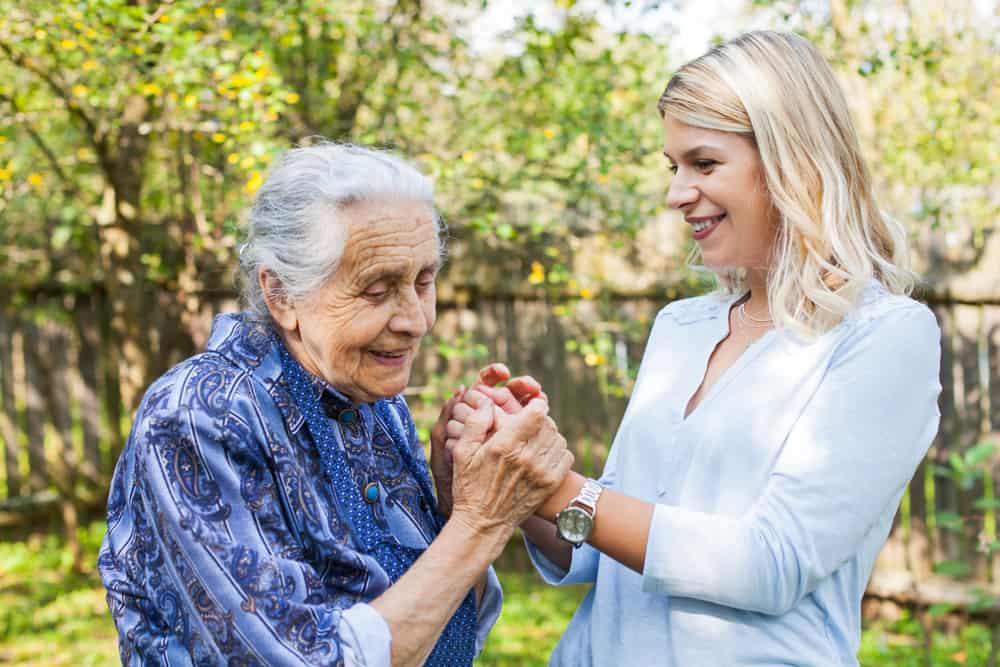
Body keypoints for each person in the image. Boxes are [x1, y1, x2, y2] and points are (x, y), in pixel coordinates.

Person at [446, 30, 942, 666]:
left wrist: (554, 485)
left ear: (794, 162)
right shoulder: (680, 327)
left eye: (704, 164)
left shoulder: (884, 336)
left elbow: (772, 563)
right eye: (673, 167)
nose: (676, 193)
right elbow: (599, 545)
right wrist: (503, 466)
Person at [97, 142, 573, 666]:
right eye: (377, 289)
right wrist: (481, 523)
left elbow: (430, 628)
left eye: (423, 280)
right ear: (281, 295)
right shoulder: (199, 415)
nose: (416, 320)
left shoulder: (368, 398)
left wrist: (454, 500)